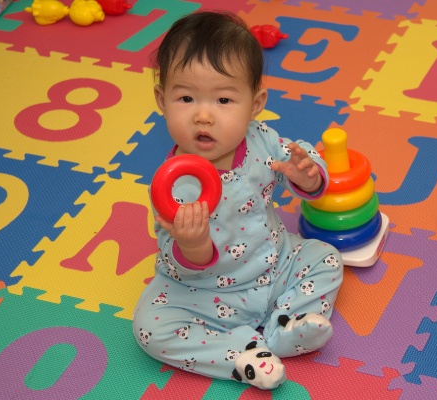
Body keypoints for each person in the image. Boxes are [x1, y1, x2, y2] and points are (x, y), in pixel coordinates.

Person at [132, 10, 343, 390]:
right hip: (205, 292)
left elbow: (301, 159)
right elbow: (178, 262)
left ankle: (286, 326)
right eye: (185, 97)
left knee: (325, 257)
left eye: (225, 99)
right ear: (162, 99)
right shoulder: (175, 184)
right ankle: (241, 355)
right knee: (150, 328)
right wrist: (192, 243)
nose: (203, 115)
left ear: (255, 102)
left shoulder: (262, 139)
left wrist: (306, 174)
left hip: (276, 263)